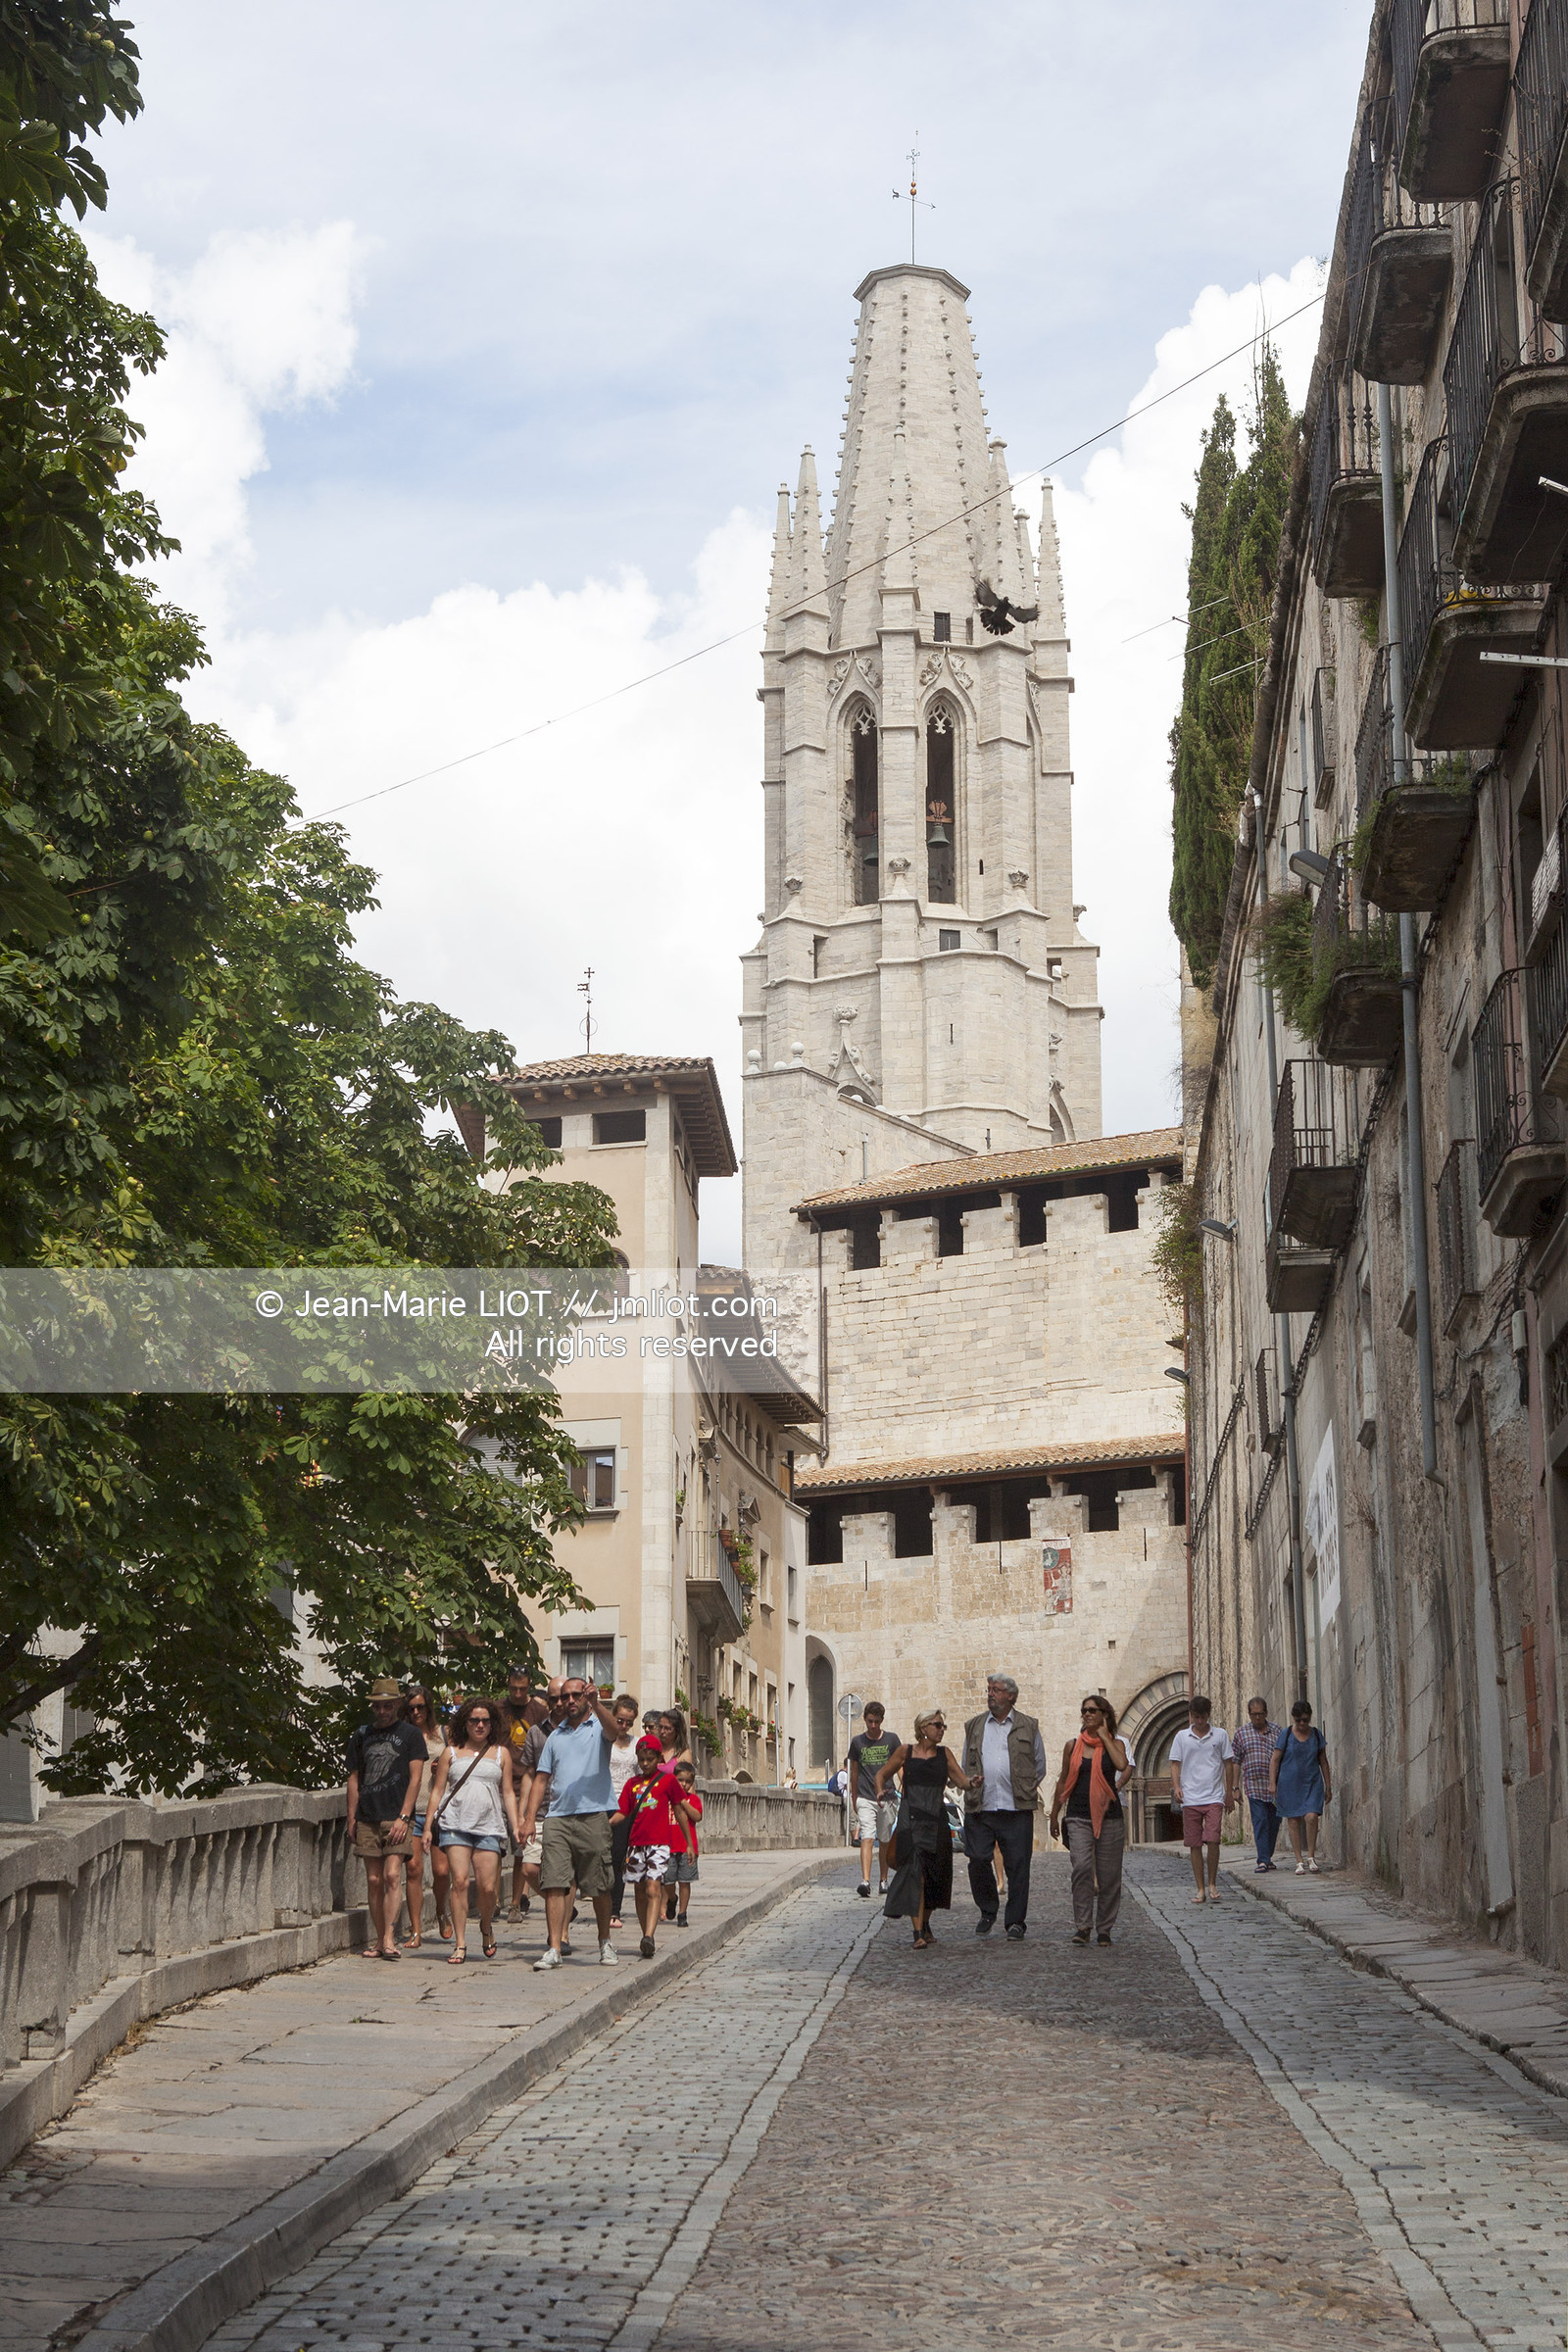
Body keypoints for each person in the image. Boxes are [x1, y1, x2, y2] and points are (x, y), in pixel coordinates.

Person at [518, 1675, 623, 1970]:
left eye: (577, 1695)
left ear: (585, 1697)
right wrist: (529, 1819)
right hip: (557, 1818)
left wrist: (597, 1704)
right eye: (565, 1697)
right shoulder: (555, 1736)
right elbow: (541, 1779)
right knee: (553, 1883)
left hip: (593, 1815)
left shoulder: (598, 1728)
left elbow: (614, 1730)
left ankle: (604, 1942)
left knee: (599, 1884)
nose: (570, 1701)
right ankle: (554, 1947)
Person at [422, 1695, 519, 1962]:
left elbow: (508, 1793)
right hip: (455, 1824)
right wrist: (428, 1826)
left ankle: (486, 1926)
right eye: (474, 1720)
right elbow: (437, 1791)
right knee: (460, 1882)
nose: (480, 1725)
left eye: (485, 1721)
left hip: (489, 1826)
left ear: (492, 1723)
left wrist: (516, 1826)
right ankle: (460, 1943)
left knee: (487, 1888)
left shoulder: (501, 1754)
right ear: (464, 1723)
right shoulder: (451, 1753)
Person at [876, 1711, 976, 1948]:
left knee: (935, 1875)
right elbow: (882, 1774)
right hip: (910, 1821)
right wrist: (879, 1791)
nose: (942, 1729)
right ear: (923, 1728)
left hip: (936, 1820)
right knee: (915, 1875)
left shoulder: (944, 1754)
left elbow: (961, 1781)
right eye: (937, 1725)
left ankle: (926, 1922)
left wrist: (972, 1783)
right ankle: (918, 1932)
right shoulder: (905, 1752)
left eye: (943, 1726)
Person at [959, 1673, 1047, 1939]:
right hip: (981, 1806)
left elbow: (1039, 1765)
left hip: (1016, 1808)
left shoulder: (1028, 1726)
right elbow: (965, 1763)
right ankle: (988, 1909)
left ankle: (1016, 1922)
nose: (990, 1694)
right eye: (989, 1689)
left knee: (1018, 1866)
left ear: (1010, 1696)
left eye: (996, 1690)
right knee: (977, 1859)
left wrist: (1023, 1787)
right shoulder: (975, 1726)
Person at [345, 1677, 426, 1962]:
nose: (382, 1711)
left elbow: (415, 1779)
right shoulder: (361, 1735)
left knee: (393, 1875)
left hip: (397, 1815)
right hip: (368, 1814)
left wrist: (404, 1816)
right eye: (378, 1707)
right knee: (373, 1878)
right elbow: (354, 1778)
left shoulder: (410, 1735)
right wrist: (351, 1817)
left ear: (397, 1705)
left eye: (388, 1706)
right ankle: (379, 1939)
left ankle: (390, 1937)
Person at [1049, 1694, 1129, 1946]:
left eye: (1093, 1710)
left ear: (1104, 1715)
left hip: (1110, 1816)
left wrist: (1105, 1737)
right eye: (1084, 1710)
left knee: (1109, 1876)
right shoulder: (1072, 1746)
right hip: (1078, 1815)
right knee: (1082, 1868)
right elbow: (1063, 1780)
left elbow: (1121, 1764)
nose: (1087, 1714)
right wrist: (1054, 1814)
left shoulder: (1116, 1744)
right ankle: (1083, 1925)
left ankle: (1104, 1929)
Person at [618, 1736, 694, 1957]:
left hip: (659, 1844)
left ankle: (649, 1936)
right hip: (636, 1845)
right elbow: (622, 1812)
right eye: (641, 1759)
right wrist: (605, 1823)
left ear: (659, 1758)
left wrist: (689, 1843)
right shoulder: (632, 1785)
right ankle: (645, 1934)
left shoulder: (668, 1781)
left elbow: (679, 1811)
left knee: (653, 1888)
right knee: (639, 1890)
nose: (645, 1764)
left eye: (649, 1759)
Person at [1169, 1694, 1237, 1904]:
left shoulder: (1220, 1735)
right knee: (1194, 1843)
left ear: (1208, 1715)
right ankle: (1200, 1888)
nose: (1199, 1721)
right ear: (1191, 1715)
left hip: (1214, 1795)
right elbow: (1175, 1763)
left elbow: (1228, 1763)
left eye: (1203, 1717)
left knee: (1213, 1839)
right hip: (1190, 1797)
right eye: (1196, 1717)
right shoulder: (1182, 1737)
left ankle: (1212, 1883)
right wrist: (1177, 1787)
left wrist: (1229, 1793)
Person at [400, 1686, 449, 1946]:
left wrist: (443, 1767)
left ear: (429, 1708)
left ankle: (441, 1911)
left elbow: (459, 1765)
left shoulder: (443, 1734)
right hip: (411, 1811)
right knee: (413, 1870)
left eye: (420, 1707)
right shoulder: (403, 1736)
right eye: (411, 1708)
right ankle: (416, 1930)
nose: (416, 1712)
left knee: (442, 1870)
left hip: (439, 1812)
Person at [847, 1701, 901, 1899]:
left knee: (884, 1839)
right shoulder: (857, 1742)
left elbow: (899, 1766)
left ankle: (883, 1879)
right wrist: (854, 1798)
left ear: (882, 1720)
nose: (873, 1726)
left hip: (888, 1797)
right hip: (865, 1797)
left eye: (876, 1722)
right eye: (870, 1721)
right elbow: (854, 1772)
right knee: (867, 1836)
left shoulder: (892, 1740)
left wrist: (906, 1784)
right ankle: (866, 1880)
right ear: (865, 1720)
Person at [1270, 1698, 1332, 1873]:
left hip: (1312, 1782)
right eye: (1299, 1721)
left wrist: (1328, 1786)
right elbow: (1275, 1760)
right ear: (1294, 1719)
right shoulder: (1286, 1734)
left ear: (1310, 1717)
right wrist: (1272, 1784)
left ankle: (1311, 1856)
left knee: (1311, 1817)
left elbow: (1323, 1761)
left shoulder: (1316, 1735)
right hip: (1289, 1784)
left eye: (1305, 1720)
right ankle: (1299, 1860)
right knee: (1293, 1820)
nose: (1302, 1724)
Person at [1232, 1695, 1283, 1874]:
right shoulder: (1241, 1734)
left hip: (1275, 1787)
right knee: (1260, 1820)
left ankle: (1267, 1856)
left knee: (1274, 1822)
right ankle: (1263, 1860)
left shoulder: (1277, 1731)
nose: (1257, 1718)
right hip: (1253, 1786)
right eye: (1254, 1715)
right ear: (1249, 1714)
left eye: (1260, 1714)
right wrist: (1235, 1787)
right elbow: (1236, 1761)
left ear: (1266, 1713)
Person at [607, 1692, 642, 1928]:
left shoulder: (636, 1744)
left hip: (626, 1808)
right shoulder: (604, 1741)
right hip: (603, 1803)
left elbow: (640, 1775)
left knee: (618, 1857)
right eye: (620, 1720)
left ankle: (614, 1910)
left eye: (629, 1722)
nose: (623, 1726)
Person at [662, 1759, 704, 1926]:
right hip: (668, 1846)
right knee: (668, 1880)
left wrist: (683, 1802)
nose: (684, 1784)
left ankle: (682, 1913)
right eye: (680, 1780)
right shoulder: (667, 1800)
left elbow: (697, 1816)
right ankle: (672, 1898)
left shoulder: (693, 1800)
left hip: (687, 1848)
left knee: (685, 1881)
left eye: (688, 1782)